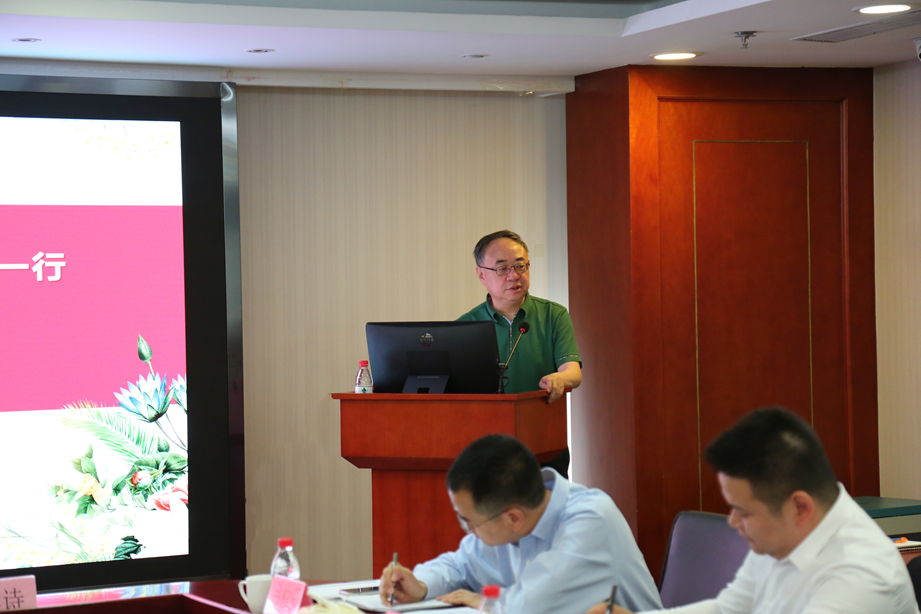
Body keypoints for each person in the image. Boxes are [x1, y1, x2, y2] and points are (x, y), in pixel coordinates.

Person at [587, 407, 920, 614]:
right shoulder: (786, 535)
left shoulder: (858, 580)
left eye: (743, 512)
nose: (733, 522)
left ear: (800, 507)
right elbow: (729, 608)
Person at [380, 434, 662, 614]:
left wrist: (485, 602)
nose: (469, 531)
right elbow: (460, 565)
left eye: (470, 522)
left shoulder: (591, 520)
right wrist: (422, 585)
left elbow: (530, 606)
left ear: (514, 518)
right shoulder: (513, 517)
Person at [457, 230, 582, 475]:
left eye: (520, 266)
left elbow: (573, 373)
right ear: (481, 274)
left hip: (544, 441)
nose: (514, 275)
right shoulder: (465, 326)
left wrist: (559, 378)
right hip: (487, 447)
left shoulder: (554, 315)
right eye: (502, 268)